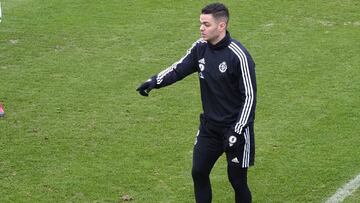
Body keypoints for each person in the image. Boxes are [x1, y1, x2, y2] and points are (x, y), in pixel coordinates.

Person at [136, 3, 256, 203]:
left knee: (237, 181)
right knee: (198, 172)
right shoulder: (200, 48)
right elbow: (178, 69)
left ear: (221, 26)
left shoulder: (239, 56)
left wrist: (237, 130)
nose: (201, 28)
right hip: (209, 128)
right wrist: (154, 81)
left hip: (235, 129)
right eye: (200, 23)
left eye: (206, 24)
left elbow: (250, 98)